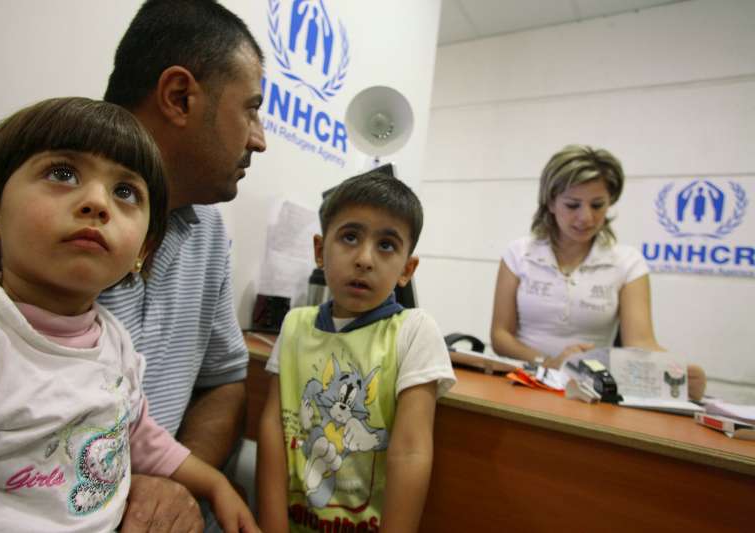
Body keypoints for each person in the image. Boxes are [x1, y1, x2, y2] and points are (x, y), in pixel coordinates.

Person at [0, 1, 267, 529]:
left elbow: (219, 382)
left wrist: (172, 480)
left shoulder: (205, 239)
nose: (259, 137)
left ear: (142, 249)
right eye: (251, 109)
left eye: (126, 192)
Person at [256, 171, 456, 532]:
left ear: (407, 270)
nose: (365, 258)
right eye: (350, 237)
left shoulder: (414, 332)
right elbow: (273, 427)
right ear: (320, 250)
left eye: (386, 245)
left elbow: (411, 452)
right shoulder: (295, 325)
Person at [490, 144, 706, 400]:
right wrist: (548, 362)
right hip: (522, 381)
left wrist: (676, 372)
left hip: (588, 390)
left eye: (597, 205)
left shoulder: (627, 262)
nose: (586, 218)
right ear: (550, 202)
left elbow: (640, 342)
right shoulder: (518, 254)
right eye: (572, 205)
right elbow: (501, 335)